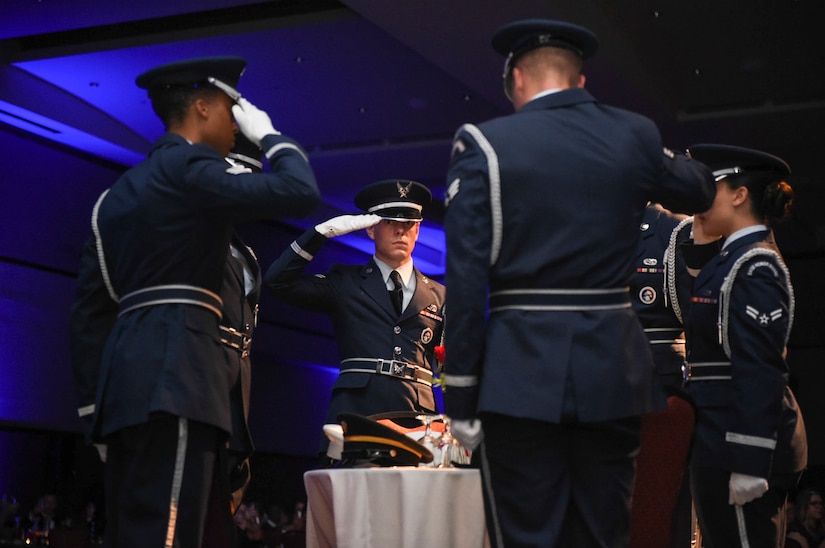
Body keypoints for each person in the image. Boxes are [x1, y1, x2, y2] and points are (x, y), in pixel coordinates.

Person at [441, 19, 716, 547]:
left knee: (525, 535)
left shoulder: (484, 144)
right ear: (581, 83)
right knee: (604, 532)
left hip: (521, 372)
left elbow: (467, 276)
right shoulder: (632, 134)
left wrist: (462, 399)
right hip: (611, 369)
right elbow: (700, 189)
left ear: (517, 80)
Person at [69, 56, 320, 548]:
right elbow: (299, 190)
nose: (237, 124)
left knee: (134, 533)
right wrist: (271, 137)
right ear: (203, 107)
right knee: (173, 534)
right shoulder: (190, 167)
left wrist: (91, 411)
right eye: (234, 109)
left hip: (123, 389)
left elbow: (90, 315)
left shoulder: (116, 195)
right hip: (179, 378)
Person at [682, 144, 807, 547]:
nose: (698, 201)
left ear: (740, 194)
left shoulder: (757, 264)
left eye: (709, 188)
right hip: (718, 433)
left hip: (738, 440)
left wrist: (749, 461)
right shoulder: (731, 257)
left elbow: (760, 370)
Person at [264, 179, 446, 455]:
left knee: (410, 496)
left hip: (417, 416)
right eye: (388, 221)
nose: (400, 230)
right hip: (355, 412)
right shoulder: (345, 282)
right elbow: (278, 282)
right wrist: (319, 234)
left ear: (418, 230)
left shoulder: (439, 295)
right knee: (348, 493)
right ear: (371, 229)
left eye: (409, 223)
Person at [629, 203, 697, 548]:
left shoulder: (675, 231)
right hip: (596, 383)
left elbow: (697, 324)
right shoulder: (589, 220)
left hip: (660, 384)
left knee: (660, 504)